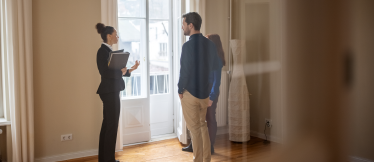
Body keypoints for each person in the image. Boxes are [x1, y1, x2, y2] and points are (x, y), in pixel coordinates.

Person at [178, 12, 220, 162]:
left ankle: (197, 159)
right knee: (202, 127)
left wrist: (179, 89)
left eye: (183, 24)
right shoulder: (210, 44)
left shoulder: (187, 46)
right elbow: (215, 67)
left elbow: (185, 71)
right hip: (204, 94)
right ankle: (206, 160)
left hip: (190, 93)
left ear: (191, 25)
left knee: (195, 129)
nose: (182, 27)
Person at [95, 23, 140, 162]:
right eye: (116, 34)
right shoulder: (102, 51)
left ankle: (104, 159)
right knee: (111, 126)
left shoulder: (110, 52)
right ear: (109, 36)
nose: (118, 37)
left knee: (108, 125)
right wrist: (120, 71)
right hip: (109, 92)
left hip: (111, 91)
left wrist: (131, 69)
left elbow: (118, 72)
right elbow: (105, 72)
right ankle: (109, 160)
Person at [182, 34, 225, 155]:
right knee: (197, 118)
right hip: (202, 89)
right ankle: (194, 145)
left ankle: (210, 146)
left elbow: (217, 82)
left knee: (210, 118)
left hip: (211, 91)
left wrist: (211, 97)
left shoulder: (216, 59)